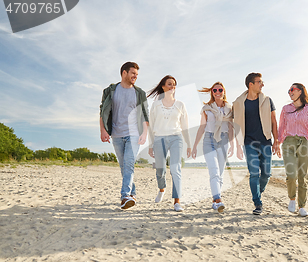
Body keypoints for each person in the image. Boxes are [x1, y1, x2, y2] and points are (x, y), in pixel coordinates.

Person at [99, 61, 149, 210]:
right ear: (124, 73)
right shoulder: (110, 90)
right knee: (124, 166)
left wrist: (145, 133)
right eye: (133, 73)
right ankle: (132, 193)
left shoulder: (140, 93)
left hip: (134, 133)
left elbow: (146, 115)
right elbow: (102, 111)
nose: (135, 76)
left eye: (137, 74)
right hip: (116, 133)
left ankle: (125, 196)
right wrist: (102, 130)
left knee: (128, 164)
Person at [233, 72, 279, 215]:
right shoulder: (239, 102)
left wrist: (276, 140)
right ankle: (257, 203)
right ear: (251, 84)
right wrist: (237, 144)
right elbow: (234, 123)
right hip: (248, 143)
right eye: (259, 81)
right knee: (254, 173)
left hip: (265, 141)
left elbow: (273, 121)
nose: (262, 84)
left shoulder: (267, 100)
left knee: (266, 174)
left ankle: (259, 191)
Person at [147, 75, 192, 212]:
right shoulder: (155, 105)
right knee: (160, 169)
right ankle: (162, 189)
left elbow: (184, 126)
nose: (172, 86)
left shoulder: (180, 105)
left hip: (176, 138)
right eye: (169, 84)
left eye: (174, 84)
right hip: (159, 138)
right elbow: (151, 126)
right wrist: (150, 144)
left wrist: (189, 144)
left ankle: (177, 201)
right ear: (163, 86)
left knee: (175, 169)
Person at [192, 82, 235, 213]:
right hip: (209, 140)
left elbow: (231, 127)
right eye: (215, 90)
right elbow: (202, 127)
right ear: (212, 92)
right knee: (214, 171)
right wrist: (194, 146)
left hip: (224, 140)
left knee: (220, 174)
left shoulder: (229, 108)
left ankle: (214, 201)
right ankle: (218, 199)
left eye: (220, 89)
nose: (217, 92)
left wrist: (232, 144)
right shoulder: (207, 108)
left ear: (224, 91)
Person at [276, 83, 308, 217]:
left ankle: (302, 206)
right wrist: (277, 143)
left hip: (304, 143)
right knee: (291, 174)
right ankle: (292, 198)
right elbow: (281, 127)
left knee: (303, 176)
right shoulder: (285, 109)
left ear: (300, 92)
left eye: (292, 90)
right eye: (289, 90)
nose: (290, 92)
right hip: (288, 143)